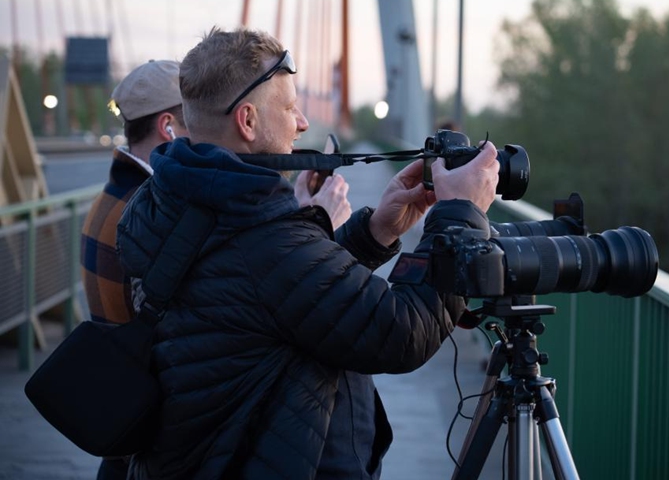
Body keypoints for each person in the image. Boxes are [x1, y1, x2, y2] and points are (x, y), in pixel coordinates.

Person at [116, 27, 499, 479]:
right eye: (290, 107)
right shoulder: (260, 235)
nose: (302, 123)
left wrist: (373, 232)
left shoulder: (168, 199)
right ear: (247, 121)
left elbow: (286, 297)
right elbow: (399, 332)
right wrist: (460, 214)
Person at [79, 59, 190, 480]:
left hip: (120, 416)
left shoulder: (111, 195)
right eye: (197, 116)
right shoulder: (148, 212)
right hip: (150, 433)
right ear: (169, 127)